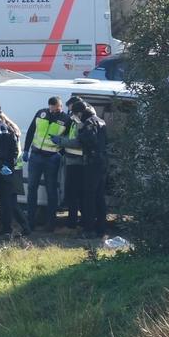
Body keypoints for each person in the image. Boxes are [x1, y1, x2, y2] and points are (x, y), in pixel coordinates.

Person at [56, 99, 108, 238]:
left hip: (92, 162)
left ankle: (89, 230)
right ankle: (101, 229)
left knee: (88, 197)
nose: (75, 117)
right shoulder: (100, 120)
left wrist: (66, 140)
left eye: (75, 114)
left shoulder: (89, 123)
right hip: (102, 161)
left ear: (79, 112)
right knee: (99, 197)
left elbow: (85, 140)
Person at [0, 102, 30, 238]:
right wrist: (8, 165)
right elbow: (15, 151)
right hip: (8, 170)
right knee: (6, 200)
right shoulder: (9, 129)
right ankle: (6, 230)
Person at [23, 96, 71, 233]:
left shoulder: (66, 119)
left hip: (51, 158)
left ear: (60, 106)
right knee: (32, 188)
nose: (52, 111)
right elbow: (31, 131)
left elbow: (68, 138)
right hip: (36, 156)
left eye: (55, 109)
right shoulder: (41, 113)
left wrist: (59, 153)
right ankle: (30, 222)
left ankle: (51, 224)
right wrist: (26, 149)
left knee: (51, 191)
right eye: (51, 108)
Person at [57, 97, 87, 230]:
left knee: (74, 193)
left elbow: (77, 141)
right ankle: (74, 221)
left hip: (77, 161)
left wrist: (60, 141)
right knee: (73, 193)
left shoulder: (81, 122)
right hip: (72, 159)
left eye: (72, 111)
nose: (70, 114)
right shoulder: (76, 120)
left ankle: (73, 222)